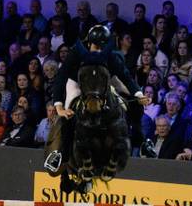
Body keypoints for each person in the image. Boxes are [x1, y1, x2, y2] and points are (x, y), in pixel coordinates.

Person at [45, 25, 149, 170]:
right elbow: (61, 78)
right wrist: (59, 107)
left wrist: (139, 95)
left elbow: (124, 75)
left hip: (104, 80)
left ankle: (142, 141)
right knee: (69, 114)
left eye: (103, 46)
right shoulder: (76, 53)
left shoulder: (109, 54)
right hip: (78, 82)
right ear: (88, 43)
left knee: (134, 102)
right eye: (96, 45)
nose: (99, 49)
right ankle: (62, 153)